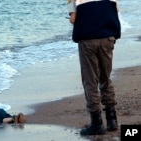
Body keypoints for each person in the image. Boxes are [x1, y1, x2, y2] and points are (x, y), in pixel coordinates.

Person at [67, 0, 121, 135]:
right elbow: (115, 10)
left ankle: (97, 123)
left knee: (90, 81)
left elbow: (73, 19)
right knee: (106, 78)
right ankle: (112, 119)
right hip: (107, 37)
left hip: (88, 39)